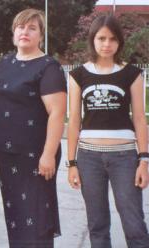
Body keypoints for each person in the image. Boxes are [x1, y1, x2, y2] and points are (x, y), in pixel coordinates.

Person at [67, 15, 149, 248]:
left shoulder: (132, 74)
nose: (106, 44)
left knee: (134, 223)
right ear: (93, 39)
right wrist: (72, 163)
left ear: (119, 42)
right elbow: (74, 120)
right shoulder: (78, 75)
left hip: (125, 157)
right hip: (88, 158)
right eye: (101, 38)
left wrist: (144, 160)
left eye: (112, 39)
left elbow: (140, 118)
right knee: (98, 224)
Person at [0, 8, 67, 247]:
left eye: (32, 28)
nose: (25, 32)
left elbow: (57, 113)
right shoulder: (5, 62)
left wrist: (48, 155)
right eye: (21, 27)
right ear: (14, 33)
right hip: (6, 155)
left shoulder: (48, 67)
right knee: (16, 219)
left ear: (41, 36)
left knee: (37, 220)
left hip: (36, 156)